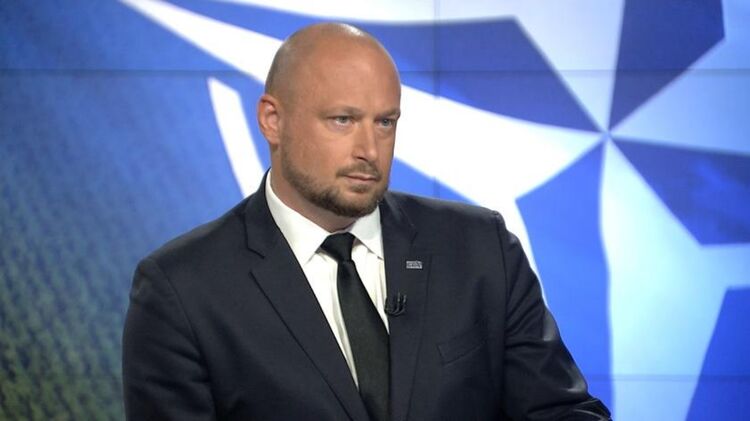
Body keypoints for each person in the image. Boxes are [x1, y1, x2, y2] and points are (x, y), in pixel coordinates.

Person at [122, 22, 611, 421]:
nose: (369, 151)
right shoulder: (183, 290)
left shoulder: (482, 250)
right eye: (342, 120)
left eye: (384, 122)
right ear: (273, 120)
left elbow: (562, 412)